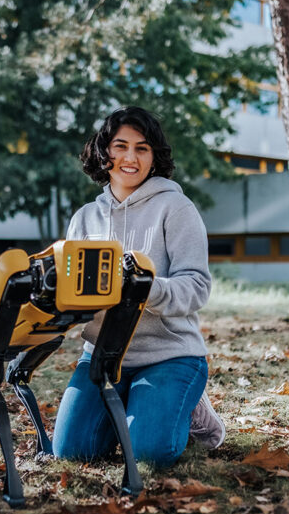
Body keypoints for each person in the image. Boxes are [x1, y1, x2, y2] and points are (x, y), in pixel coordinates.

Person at [52, 106, 225, 468]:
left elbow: (197, 286)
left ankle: (187, 414)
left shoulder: (175, 207)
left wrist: (145, 289)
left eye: (142, 148)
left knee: (150, 453)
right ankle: (139, 410)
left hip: (169, 354)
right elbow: (72, 295)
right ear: (104, 151)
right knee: (71, 451)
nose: (130, 157)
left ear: (153, 157)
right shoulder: (85, 217)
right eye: (121, 146)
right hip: (101, 356)